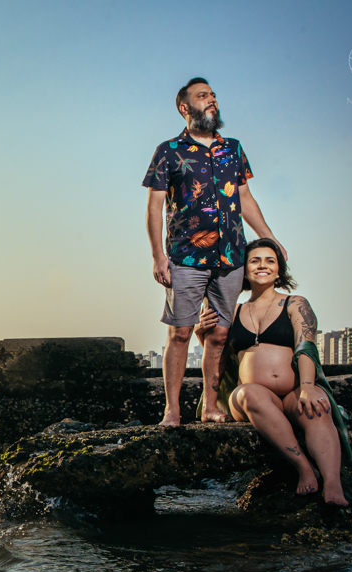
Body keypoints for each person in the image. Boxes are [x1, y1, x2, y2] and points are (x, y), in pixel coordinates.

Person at [143, 77, 286, 426]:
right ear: (184, 107)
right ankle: (172, 410)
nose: (212, 100)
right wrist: (158, 257)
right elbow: (154, 206)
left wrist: (269, 238)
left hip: (230, 256)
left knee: (220, 333)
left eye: (213, 95)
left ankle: (210, 406)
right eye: (202, 96)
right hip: (186, 256)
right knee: (180, 331)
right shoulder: (168, 151)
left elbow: (245, 198)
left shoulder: (233, 149)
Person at [195, 238, 351, 506]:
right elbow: (220, 356)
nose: (262, 266)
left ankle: (333, 483)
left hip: (292, 393)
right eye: (254, 261)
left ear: (279, 270)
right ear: (244, 270)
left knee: (318, 409)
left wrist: (307, 386)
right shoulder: (232, 311)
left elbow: (306, 347)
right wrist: (202, 334)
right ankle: (304, 468)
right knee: (249, 394)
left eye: (270, 260)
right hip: (251, 398)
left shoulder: (295, 303)